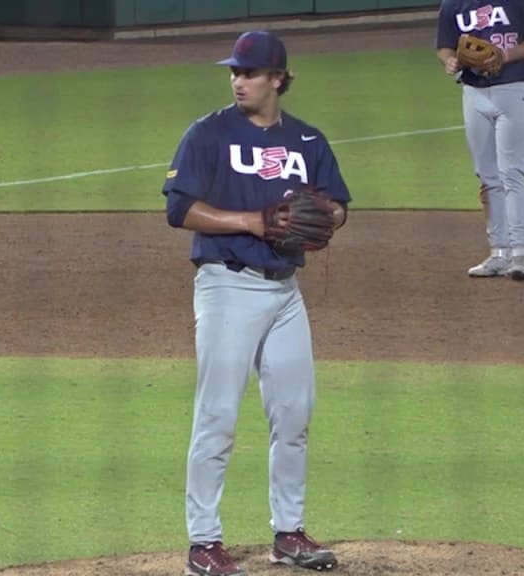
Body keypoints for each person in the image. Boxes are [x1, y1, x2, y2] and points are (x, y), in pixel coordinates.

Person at [161, 30, 350, 575]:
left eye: (249, 73)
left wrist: (323, 217)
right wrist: (254, 221)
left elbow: (336, 205)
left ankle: (288, 533)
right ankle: (204, 542)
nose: (238, 81)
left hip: (285, 292)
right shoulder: (207, 134)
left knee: (294, 414)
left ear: (278, 79)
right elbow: (180, 209)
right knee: (217, 416)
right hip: (227, 286)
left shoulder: (308, 143)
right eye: (234, 72)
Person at [436, 0, 524, 280]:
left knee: (512, 172)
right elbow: (444, 45)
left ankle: (520, 253)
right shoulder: (453, 5)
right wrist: (449, 60)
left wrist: (506, 55)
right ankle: (499, 252)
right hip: (473, 94)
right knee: (487, 175)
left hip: (512, 91)